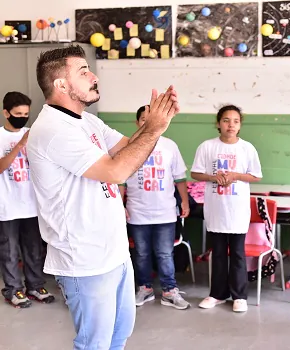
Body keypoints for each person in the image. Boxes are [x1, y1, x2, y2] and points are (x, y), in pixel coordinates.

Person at [26, 44, 180, 349]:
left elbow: (126, 147)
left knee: (118, 337)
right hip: (85, 260)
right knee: (94, 344)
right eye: (83, 71)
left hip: (114, 252)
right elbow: (115, 171)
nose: (93, 75)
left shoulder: (85, 120)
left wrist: (154, 126)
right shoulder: (53, 129)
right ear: (60, 84)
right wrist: (153, 130)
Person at [191, 105, 262, 313]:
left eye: (235, 121)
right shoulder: (207, 146)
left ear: (240, 125)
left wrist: (235, 176)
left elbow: (256, 176)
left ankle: (239, 296)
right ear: (218, 123)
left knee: (238, 253)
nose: (231, 125)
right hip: (216, 208)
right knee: (219, 253)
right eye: (226, 120)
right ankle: (217, 294)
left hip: (237, 209)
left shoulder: (247, 148)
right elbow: (196, 173)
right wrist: (214, 177)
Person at [119, 105, 190, 310]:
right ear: (137, 122)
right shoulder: (128, 146)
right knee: (141, 253)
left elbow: (179, 177)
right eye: (143, 119)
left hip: (165, 212)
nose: (148, 123)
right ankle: (145, 288)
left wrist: (184, 201)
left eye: (152, 119)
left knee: (165, 254)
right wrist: (119, 204)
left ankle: (169, 291)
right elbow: (120, 179)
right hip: (137, 212)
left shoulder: (169, 146)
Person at [0, 91, 54, 308]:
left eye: (25, 114)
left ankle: (35, 285)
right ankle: (13, 289)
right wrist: (20, 145)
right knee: (10, 251)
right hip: (7, 207)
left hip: (32, 206)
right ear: (6, 113)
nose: (22, 117)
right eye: (17, 113)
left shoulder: (33, 133)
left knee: (34, 250)